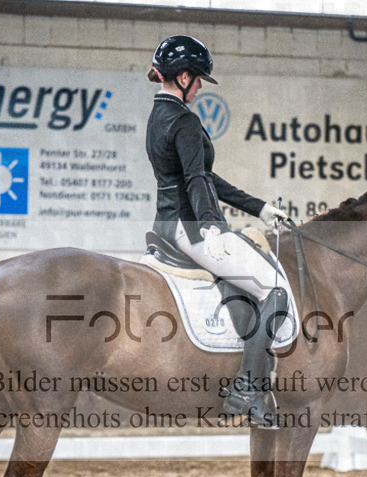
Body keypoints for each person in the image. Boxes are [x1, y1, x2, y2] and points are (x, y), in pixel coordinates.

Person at [146, 35, 290, 425]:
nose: (197, 91)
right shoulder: (184, 121)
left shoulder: (159, 114)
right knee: (275, 289)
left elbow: (205, 179)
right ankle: (247, 391)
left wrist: (259, 208)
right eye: (198, 83)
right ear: (184, 77)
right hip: (191, 228)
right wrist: (211, 227)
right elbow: (196, 180)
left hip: (168, 223)